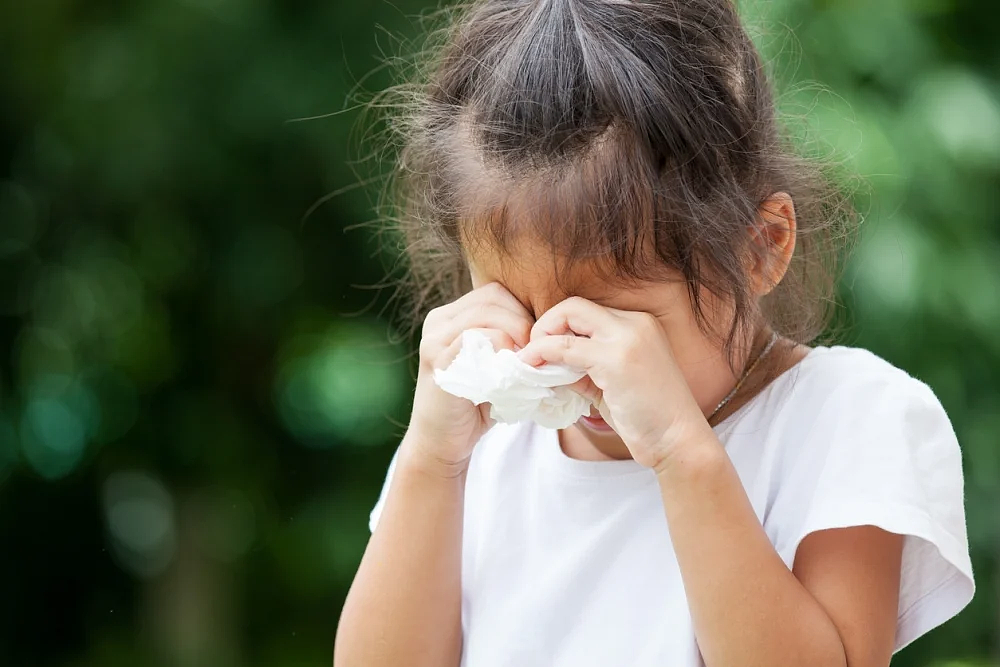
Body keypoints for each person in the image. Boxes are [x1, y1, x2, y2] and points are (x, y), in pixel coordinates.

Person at [334, 1, 975, 665]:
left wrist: (678, 449)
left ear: (762, 246)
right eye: (518, 310)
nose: (560, 358)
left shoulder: (845, 418)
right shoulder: (479, 459)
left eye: (615, 321)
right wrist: (430, 461)